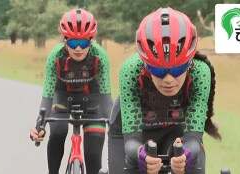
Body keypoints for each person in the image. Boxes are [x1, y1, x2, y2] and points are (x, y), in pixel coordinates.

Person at [108, 7, 221, 174]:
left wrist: (186, 154)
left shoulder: (200, 72)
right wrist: (139, 153)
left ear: (189, 63)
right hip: (130, 131)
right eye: (159, 71)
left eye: (177, 69)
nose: (168, 79)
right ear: (146, 64)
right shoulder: (130, 70)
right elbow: (131, 141)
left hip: (175, 129)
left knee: (191, 164)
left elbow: (193, 138)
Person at [29, 8, 112, 174]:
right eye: (73, 43)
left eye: (85, 42)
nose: (79, 48)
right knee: (58, 132)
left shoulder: (100, 56)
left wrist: (114, 123)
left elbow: (105, 95)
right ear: (65, 40)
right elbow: (48, 95)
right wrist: (40, 124)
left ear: (92, 40)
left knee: (94, 152)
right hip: (62, 97)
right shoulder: (56, 56)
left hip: (93, 99)